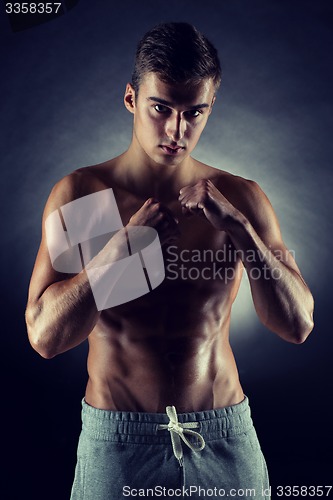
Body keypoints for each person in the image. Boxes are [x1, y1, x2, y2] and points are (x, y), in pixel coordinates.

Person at [25, 22, 314, 499]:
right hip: (119, 443)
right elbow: (45, 337)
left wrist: (241, 230)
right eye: (161, 108)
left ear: (211, 106)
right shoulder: (87, 196)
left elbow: (298, 325)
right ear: (130, 99)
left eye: (194, 112)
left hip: (223, 434)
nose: (177, 131)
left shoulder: (240, 197)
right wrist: (117, 253)